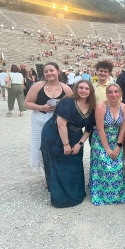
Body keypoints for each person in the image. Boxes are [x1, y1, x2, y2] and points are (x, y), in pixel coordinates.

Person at [40, 80, 96, 208]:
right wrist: (66, 144)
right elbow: (61, 123)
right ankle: (61, 197)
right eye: (81, 88)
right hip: (56, 134)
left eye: (87, 88)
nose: (83, 90)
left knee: (75, 163)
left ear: (90, 91)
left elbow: (88, 129)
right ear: (76, 89)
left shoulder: (92, 106)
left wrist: (79, 144)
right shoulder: (68, 102)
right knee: (59, 163)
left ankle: (75, 192)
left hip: (76, 135)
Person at [25, 62, 72, 173]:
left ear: (58, 71)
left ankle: (57, 170)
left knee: (56, 145)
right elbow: (27, 103)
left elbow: (71, 106)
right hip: (39, 119)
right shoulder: (38, 86)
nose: (49, 73)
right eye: (46, 71)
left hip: (58, 122)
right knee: (41, 145)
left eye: (51, 70)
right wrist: (41, 107)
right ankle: (47, 172)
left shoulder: (66, 88)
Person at [89, 83, 125, 205]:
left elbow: (123, 129)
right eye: (110, 92)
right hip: (101, 140)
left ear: (120, 93)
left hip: (116, 139)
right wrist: (107, 149)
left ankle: (118, 195)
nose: (113, 94)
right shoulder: (101, 106)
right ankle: (99, 193)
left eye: (116, 91)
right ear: (106, 94)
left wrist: (118, 146)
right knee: (104, 167)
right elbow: (100, 129)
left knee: (117, 167)